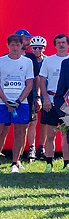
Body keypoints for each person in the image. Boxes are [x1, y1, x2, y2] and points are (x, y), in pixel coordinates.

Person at [0, 34, 35, 173]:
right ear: (8, 45)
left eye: (18, 45)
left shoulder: (27, 62)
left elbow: (29, 84)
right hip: (2, 103)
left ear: (22, 45)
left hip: (21, 104)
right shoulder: (0, 62)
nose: (15, 48)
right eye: (13, 45)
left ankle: (15, 163)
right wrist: (6, 102)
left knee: (19, 132)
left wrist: (17, 101)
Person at [38, 33, 69, 172]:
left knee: (66, 135)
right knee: (50, 135)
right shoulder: (48, 60)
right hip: (51, 101)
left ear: (67, 44)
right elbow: (42, 81)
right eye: (58, 42)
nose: (61, 45)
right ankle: (49, 163)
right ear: (55, 45)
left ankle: (66, 164)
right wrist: (45, 98)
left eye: (63, 42)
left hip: (66, 103)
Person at [24, 32, 45, 161]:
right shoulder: (29, 60)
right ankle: (31, 148)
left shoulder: (48, 61)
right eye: (35, 48)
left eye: (40, 47)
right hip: (32, 94)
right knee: (32, 122)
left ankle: (41, 147)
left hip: (47, 95)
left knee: (45, 124)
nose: (37, 50)